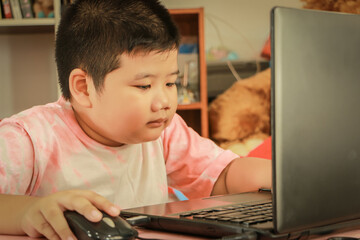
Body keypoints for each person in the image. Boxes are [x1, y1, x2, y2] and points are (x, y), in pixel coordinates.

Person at [0, 0, 271, 239]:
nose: (164, 102)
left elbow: (221, 176)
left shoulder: (165, 131)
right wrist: (28, 211)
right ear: (83, 88)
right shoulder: (28, 139)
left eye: (170, 82)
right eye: (144, 86)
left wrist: (282, 177)